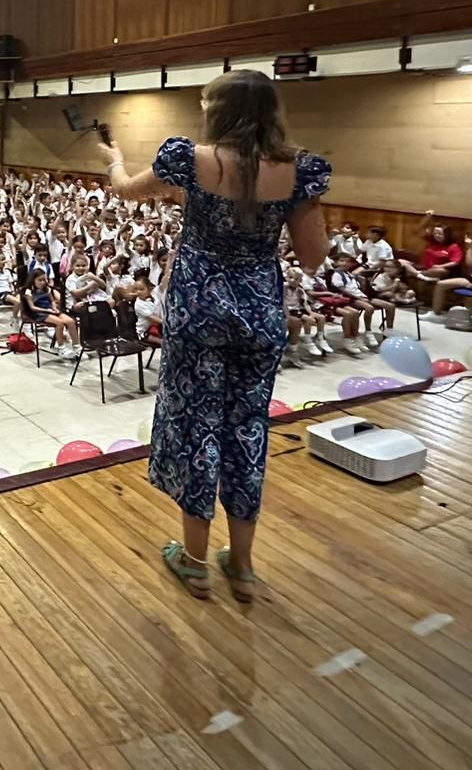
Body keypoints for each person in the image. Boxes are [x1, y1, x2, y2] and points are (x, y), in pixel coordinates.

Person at [100, 69, 329, 602]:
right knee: (248, 428)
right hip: (261, 310)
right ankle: (243, 566)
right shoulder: (300, 171)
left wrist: (113, 160)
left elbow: (128, 190)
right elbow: (315, 257)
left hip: (198, 309)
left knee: (194, 424)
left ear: (217, 111)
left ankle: (197, 561)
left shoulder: (192, 159)